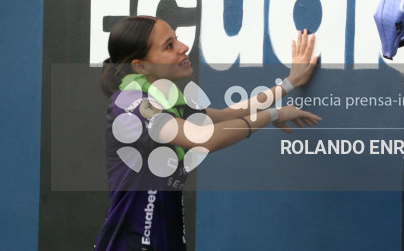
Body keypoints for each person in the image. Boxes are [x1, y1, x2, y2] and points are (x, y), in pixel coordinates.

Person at [93, 17, 320, 251]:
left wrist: (290, 83)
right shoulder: (131, 103)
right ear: (140, 66)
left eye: (177, 39)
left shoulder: (164, 102)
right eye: (169, 45)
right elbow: (204, 138)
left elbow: (225, 115)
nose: (183, 47)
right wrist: (272, 114)